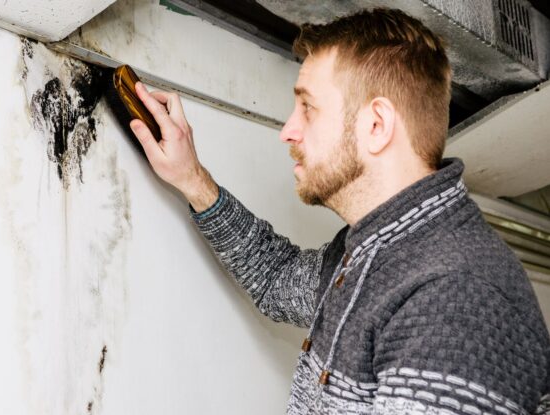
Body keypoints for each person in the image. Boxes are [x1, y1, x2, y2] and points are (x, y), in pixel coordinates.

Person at [129, 7, 550, 415]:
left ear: (376, 126)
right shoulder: (374, 249)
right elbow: (277, 280)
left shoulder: (456, 300)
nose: (288, 131)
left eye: (308, 107)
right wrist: (192, 178)